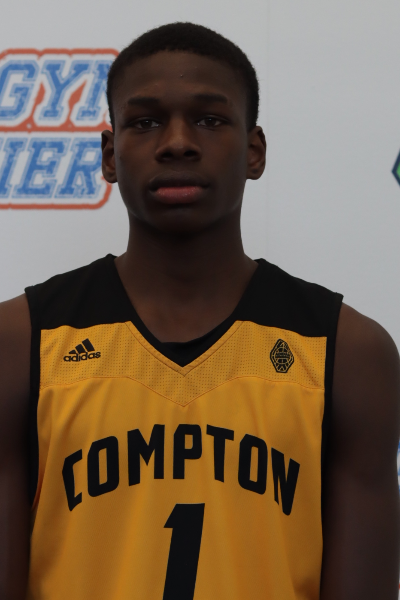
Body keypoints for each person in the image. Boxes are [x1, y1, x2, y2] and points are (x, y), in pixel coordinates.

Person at [0, 22, 398, 600]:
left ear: (254, 152)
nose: (178, 143)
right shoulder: (21, 343)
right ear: (109, 156)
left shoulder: (349, 354)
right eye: (145, 122)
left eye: (209, 120)